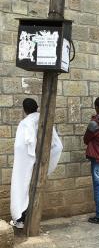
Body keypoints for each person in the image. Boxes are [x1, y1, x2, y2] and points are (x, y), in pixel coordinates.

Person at [10, 98, 63, 229]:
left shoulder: (25, 123)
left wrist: (29, 159)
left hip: (27, 161)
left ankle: (20, 218)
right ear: (37, 107)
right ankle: (24, 218)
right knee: (30, 190)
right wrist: (45, 163)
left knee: (21, 187)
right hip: (40, 163)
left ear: (24, 109)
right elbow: (57, 145)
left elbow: (21, 146)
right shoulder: (44, 120)